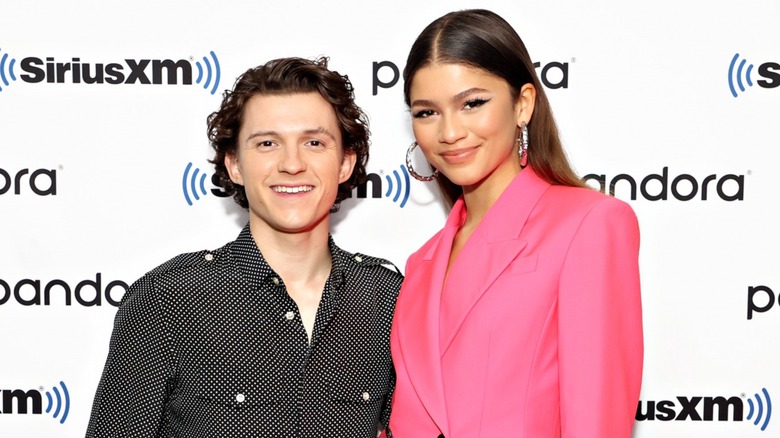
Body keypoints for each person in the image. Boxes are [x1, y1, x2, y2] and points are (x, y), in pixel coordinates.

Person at [86, 57, 402, 437]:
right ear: (234, 164)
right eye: (268, 143)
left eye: (314, 142)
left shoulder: (388, 299)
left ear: (345, 163)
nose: (292, 164)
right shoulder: (167, 299)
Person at [388, 9, 643, 438]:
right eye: (427, 112)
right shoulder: (422, 262)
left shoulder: (589, 224)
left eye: (472, 103)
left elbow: (596, 421)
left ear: (522, 103)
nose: (449, 132)